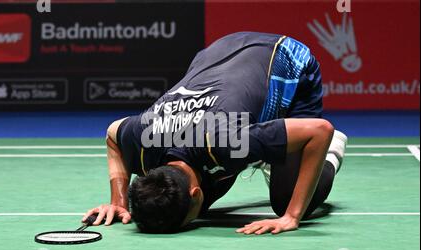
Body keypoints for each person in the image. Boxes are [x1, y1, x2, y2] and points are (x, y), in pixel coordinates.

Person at [82, 32, 348, 235]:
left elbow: (320, 130)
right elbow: (114, 133)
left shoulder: (227, 142)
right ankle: (267, 141)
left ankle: (300, 144)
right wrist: (118, 202)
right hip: (219, 53)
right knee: (219, 165)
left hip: (285, 58)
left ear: (196, 193)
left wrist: (292, 216)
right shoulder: (144, 140)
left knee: (285, 197)